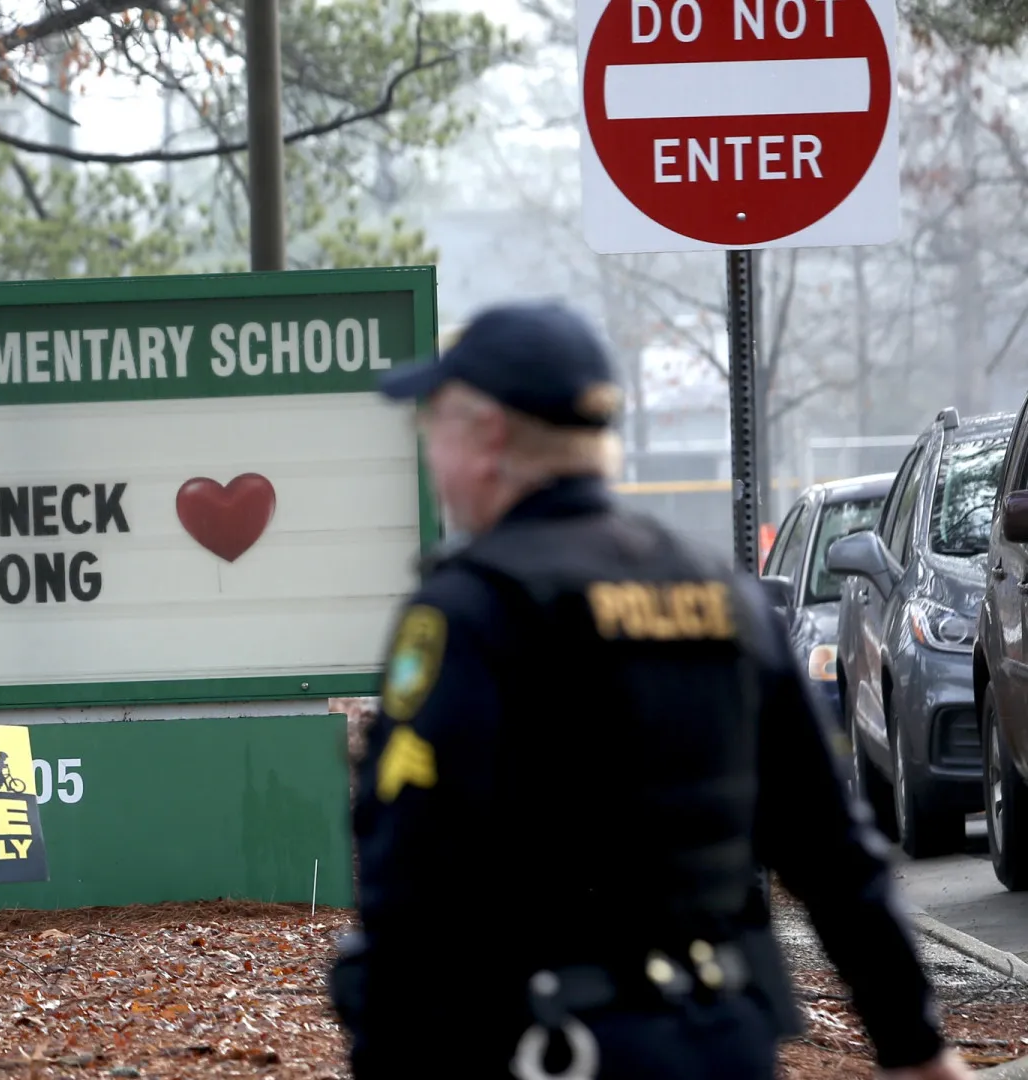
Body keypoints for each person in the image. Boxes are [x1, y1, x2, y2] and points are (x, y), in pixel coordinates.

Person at [331, 301, 969, 1080]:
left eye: (433, 424)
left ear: (488, 435)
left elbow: (409, 877)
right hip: (722, 1042)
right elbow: (832, 854)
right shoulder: (724, 598)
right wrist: (914, 1043)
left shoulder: (473, 612)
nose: (430, 452)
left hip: (549, 1047)